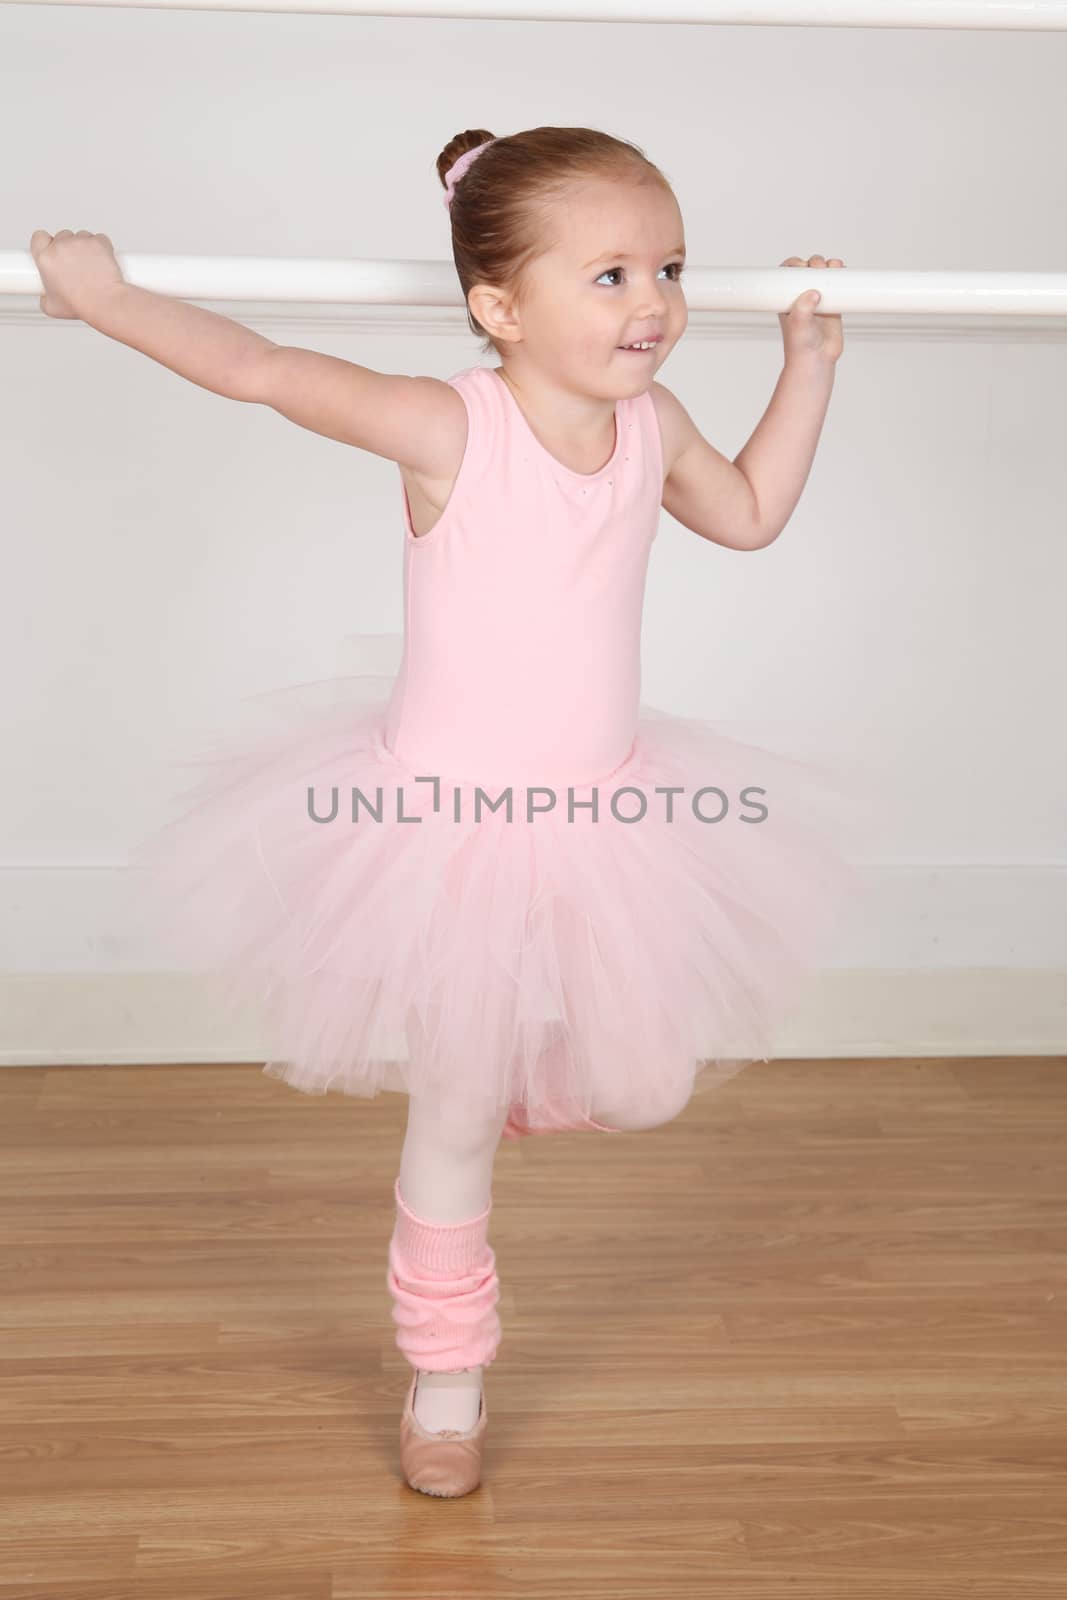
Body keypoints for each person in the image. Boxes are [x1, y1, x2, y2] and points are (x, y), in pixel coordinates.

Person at [30, 124, 861, 1498]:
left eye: (667, 266)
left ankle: (503, 1081)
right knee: (456, 1114)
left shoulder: (655, 430)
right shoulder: (445, 428)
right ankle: (449, 1375)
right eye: (607, 275)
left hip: (605, 822)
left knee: (647, 1085)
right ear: (498, 308)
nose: (651, 299)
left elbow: (758, 512)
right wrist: (105, 296)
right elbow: (263, 371)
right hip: (444, 833)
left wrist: (810, 370)